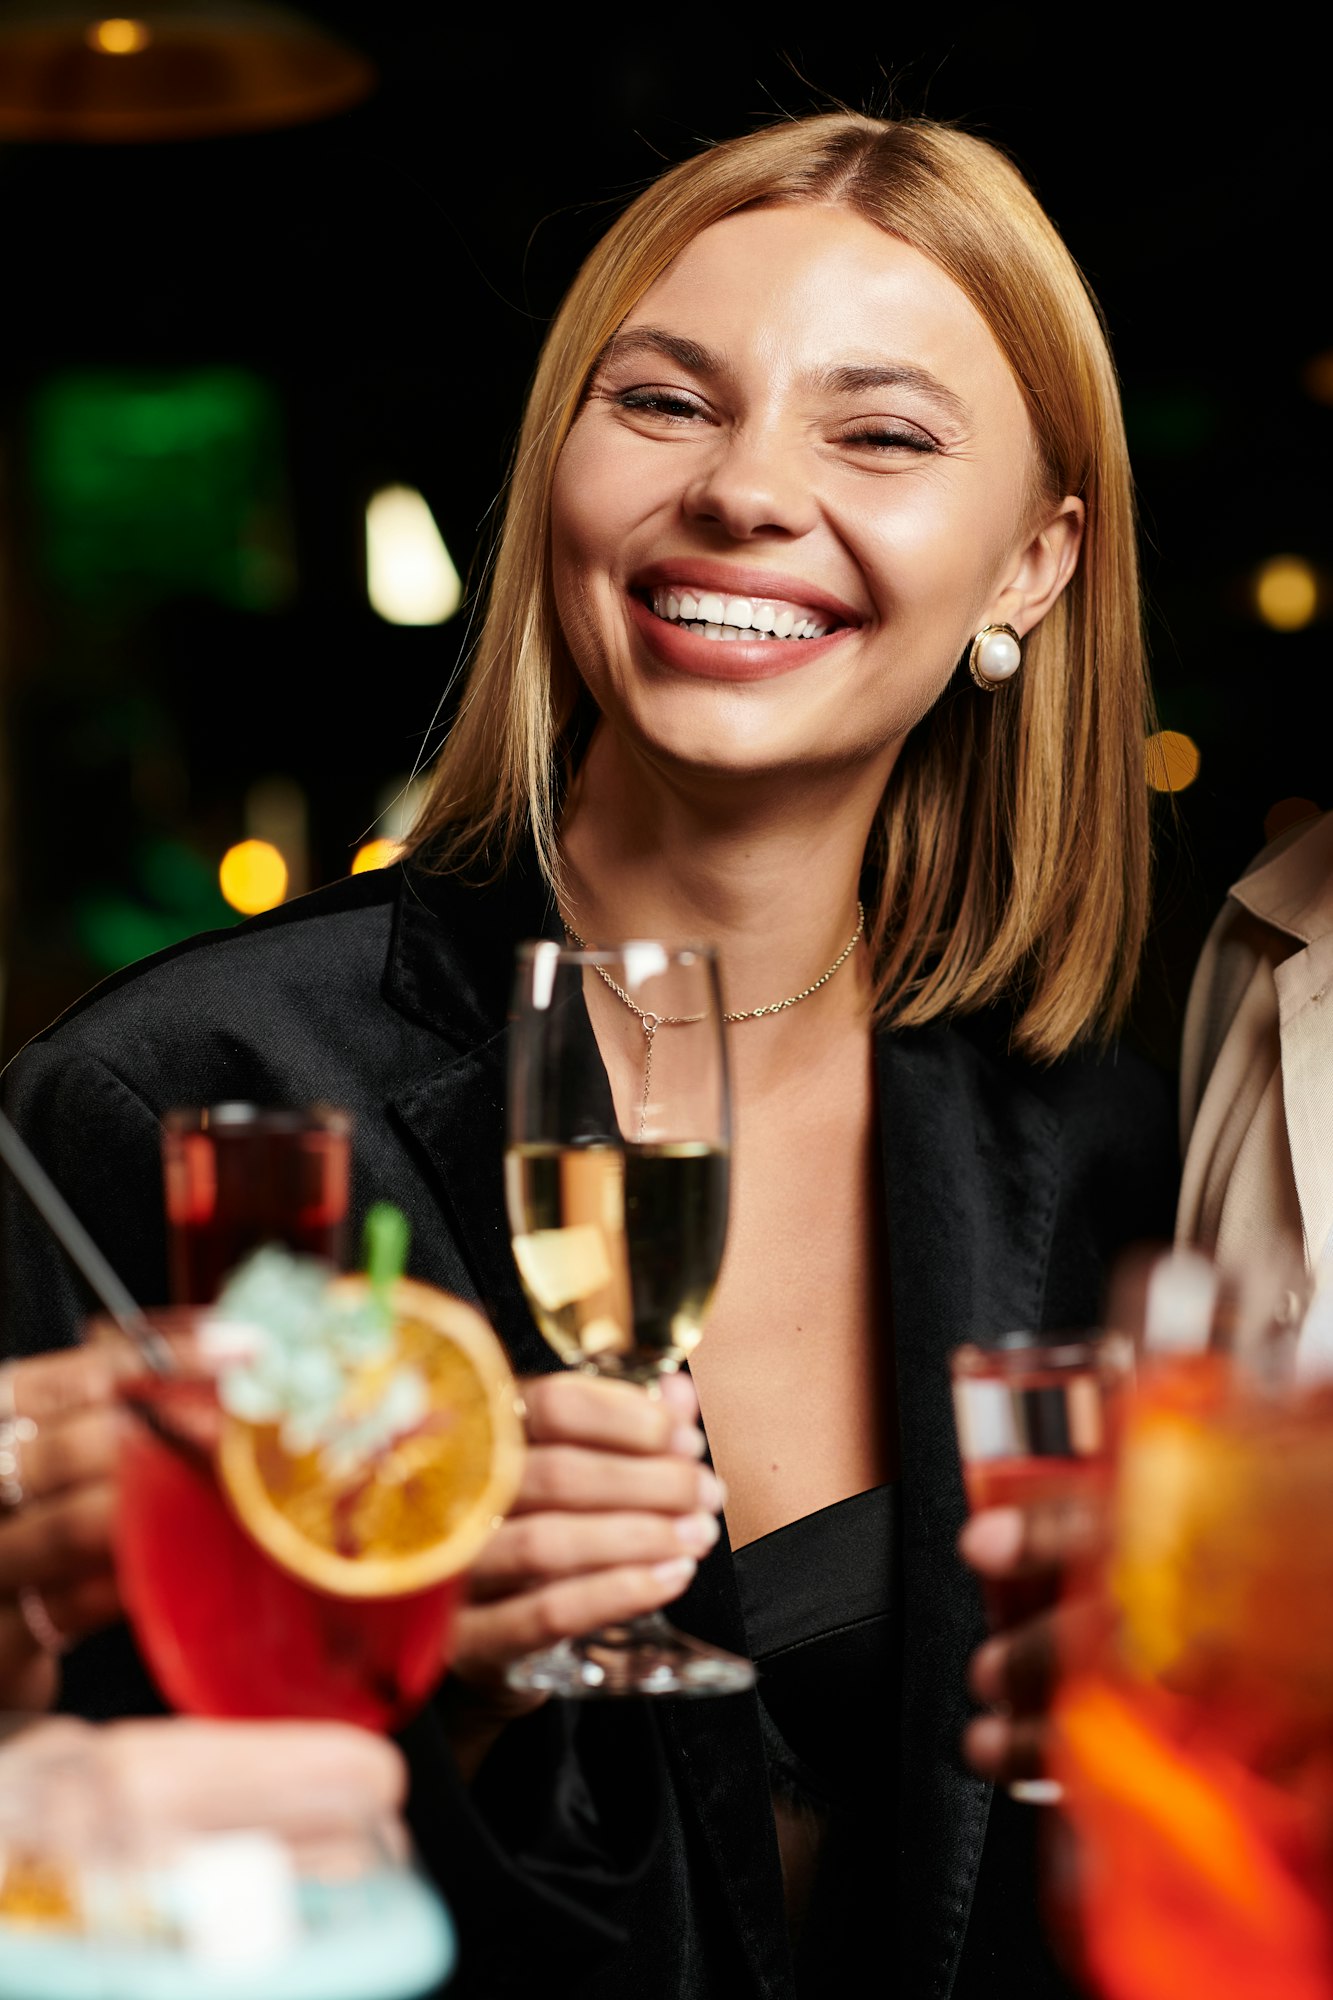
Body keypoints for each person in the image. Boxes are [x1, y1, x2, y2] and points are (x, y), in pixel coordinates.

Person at [1, 112, 1177, 1997]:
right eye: (662, 403)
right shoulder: (175, 1103)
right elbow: (64, 1908)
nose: (743, 493)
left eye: (875, 433)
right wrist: (419, 1707)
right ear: (561, 467)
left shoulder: (1112, 1147)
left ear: (1031, 571)